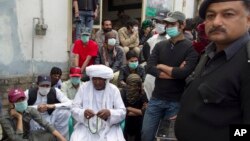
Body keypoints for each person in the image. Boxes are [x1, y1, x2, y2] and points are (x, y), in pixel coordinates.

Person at [175, 1, 250, 141]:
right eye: (210, 16)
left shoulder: (246, 62)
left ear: (248, 20)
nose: (216, 22)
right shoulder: (209, 53)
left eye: (228, 14)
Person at [141, 11, 199, 141]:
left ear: (182, 25)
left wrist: (161, 66)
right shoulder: (160, 45)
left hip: (176, 102)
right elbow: (149, 67)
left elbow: (184, 73)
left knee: (168, 138)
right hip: (156, 99)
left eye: (172, 24)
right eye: (167, 24)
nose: (168, 27)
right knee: (146, 134)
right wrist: (175, 73)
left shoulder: (191, 48)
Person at [70, 64, 126, 141]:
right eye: (94, 79)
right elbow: (74, 108)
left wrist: (110, 113)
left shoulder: (113, 90)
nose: (97, 82)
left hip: (108, 127)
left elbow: (122, 112)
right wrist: (83, 113)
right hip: (86, 126)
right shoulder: (84, 88)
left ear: (105, 79)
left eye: (100, 79)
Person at [0, 88, 66, 141]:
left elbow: (46, 124)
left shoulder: (29, 110)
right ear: (11, 104)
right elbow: (15, 138)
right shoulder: (5, 117)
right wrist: (19, 118)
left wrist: (62, 138)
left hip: (28, 136)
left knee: (51, 136)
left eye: (23, 99)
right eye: (17, 100)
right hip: (11, 139)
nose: (21, 102)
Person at [24, 75, 72, 140]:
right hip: (34, 120)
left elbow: (70, 103)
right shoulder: (29, 93)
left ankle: (60, 137)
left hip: (49, 117)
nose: (45, 88)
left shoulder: (55, 91)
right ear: (37, 85)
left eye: (47, 86)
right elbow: (21, 107)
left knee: (65, 112)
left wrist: (52, 106)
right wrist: (36, 108)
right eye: (42, 85)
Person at [142, 10, 169, 100]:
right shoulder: (151, 40)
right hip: (152, 79)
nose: (159, 24)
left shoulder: (173, 40)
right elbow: (148, 60)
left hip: (168, 81)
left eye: (162, 22)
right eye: (157, 22)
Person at [120, 74, 148, 141]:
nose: (132, 88)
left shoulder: (142, 93)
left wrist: (129, 108)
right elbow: (121, 111)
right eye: (130, 85)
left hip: (139, 123)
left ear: (139, 86)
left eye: (135, 85)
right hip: (125, 122)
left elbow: (145, 111)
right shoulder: (123, 93)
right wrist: (139, 112)